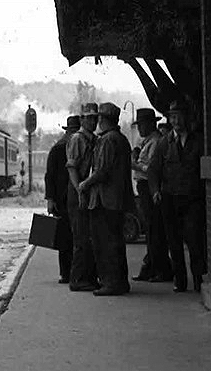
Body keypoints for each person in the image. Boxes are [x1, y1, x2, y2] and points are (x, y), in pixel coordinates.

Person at [148, 100, 205, 292]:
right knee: (174, 242)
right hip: (169, 198)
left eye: (179, 116)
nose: (176, 121)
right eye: (173, 117)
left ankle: (198, 280)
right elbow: (154, 170)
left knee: (194, 239)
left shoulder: (197, 142)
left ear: (186, 118)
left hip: (191, 198)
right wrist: (155, 190)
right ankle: (180, 282)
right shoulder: (164, 143)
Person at [79, 102, 134, 296]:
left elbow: (103, 170)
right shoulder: (121, 139)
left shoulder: (109, 140)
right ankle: (118, 281)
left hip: (105, 200)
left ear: (102, 120)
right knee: (115, 242)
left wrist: (85, 183)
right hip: (115, 199)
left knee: (105, 243)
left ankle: (111, 283)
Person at [130, 108, 173, 283]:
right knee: (151, 230)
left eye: (142, 124)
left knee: (155, 230)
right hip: (145, 187)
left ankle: (161, 269)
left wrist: (134, 164)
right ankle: (152, 267)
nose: (140, 128)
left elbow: (152, 169)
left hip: (149, 186)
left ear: (150, 124)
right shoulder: (148, 141)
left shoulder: (155, 142)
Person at [65, 103, 99, 291]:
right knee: (81, 238)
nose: (93, 121)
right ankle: (77, 280)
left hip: (86, 189)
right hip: (78, 190)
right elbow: (72, 168)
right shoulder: (78, 139)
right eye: (89, 118)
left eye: (95, 118)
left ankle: (88, 277)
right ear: (83, 119)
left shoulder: (93, 139)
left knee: (88, 237)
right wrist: (79, 190)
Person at [44, 115, 80, 284]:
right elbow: (49, 176)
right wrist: (50, 199)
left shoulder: (77, 146)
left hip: (72, 197)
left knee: (72, 237)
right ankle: (66, 273)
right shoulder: (58, 149)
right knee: (66, 238)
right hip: (62, 199)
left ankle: (72, 272)